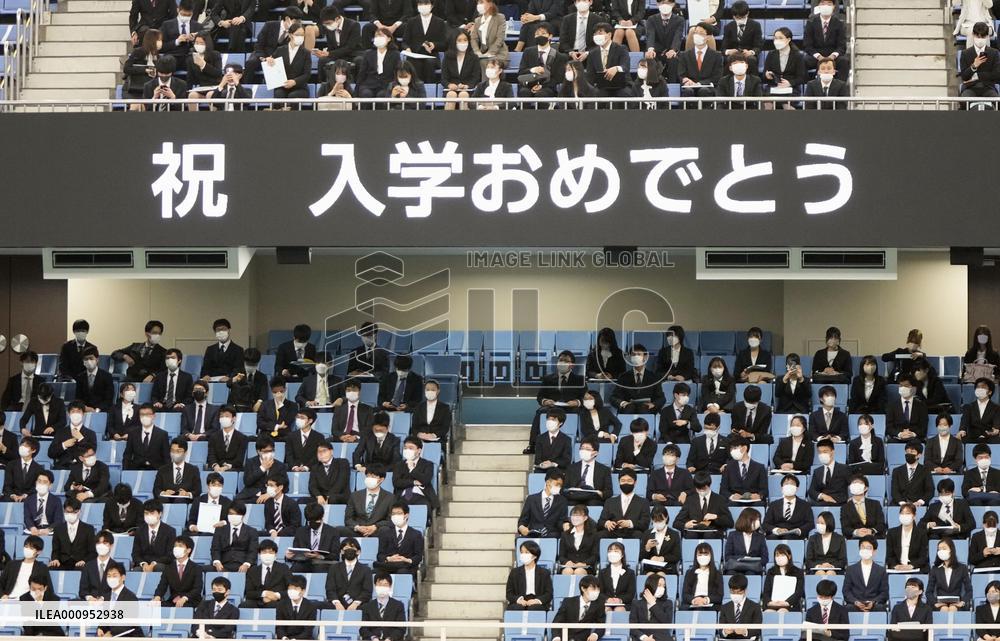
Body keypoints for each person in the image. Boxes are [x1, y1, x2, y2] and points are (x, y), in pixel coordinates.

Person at [524, 351, 585, 455]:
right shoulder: (548, 379)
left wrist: (577, 402)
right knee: (540, 412)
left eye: (566, 361)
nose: (562, 363)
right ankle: (533, 444)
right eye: (561, 360)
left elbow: (585, 397)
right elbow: (540, 396)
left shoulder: (579, 380)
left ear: (572, 365)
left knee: (582, 412)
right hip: (552, 407)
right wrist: (545, 401)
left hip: (571, 408)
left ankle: (581, 442)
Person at [517, 22, 566, 105]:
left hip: (548, 87)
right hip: (529, 85)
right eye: (537, 34)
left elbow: (558, 78)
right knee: (523, 92)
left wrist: (541, 87)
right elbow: (521, 72)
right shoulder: (528, 51)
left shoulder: (559, 56)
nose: (540, 36)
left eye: (543, 33)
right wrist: (532, 70)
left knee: (541, 94)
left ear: (550, 36)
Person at [674, 470, 733, 538]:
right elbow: (676, 523)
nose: (701, 491)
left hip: (712, 533)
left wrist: (716, 517)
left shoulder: (720, 499)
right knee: (691, 535)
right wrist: (685, 525)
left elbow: (730, 522)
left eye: (704, 488)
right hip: (694, 534)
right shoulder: (690, 500)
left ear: (709, 485)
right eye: (699, 489)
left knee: (709, 535)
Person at [264, 22, 311, 106]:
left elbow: (307, 74)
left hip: (300, 87)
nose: (300, 37)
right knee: (279, 95)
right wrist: (268, 59)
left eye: (302, 35)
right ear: (290, 35)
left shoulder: (306, 53)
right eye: (297, 34)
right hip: (282, 86)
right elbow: (271, 63)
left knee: (293, 97)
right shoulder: (280, 50)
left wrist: (295, 82)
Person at [400, 0, 448, 83]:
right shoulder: (411, 21)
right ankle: (416, 90)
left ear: (432, 6)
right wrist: (407, 48)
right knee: (414, 63)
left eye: (426, 3)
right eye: (420, 4)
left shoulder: (440, 22)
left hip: (431, 56)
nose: (423, 6)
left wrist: (434, 45)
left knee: (429, 63)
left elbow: (444, 44)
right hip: (415, 55)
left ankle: (429, 91)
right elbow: (405, 42)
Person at [550, 575, 606, 641]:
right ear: (583, 588)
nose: (596, 591)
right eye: (593, 588)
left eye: (598, 589)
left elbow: (602, 624)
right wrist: (556, 637)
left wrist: (595, 634)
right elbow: (557, 622)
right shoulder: (568, 602)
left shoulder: (598, 605)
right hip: (565, 638)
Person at [342, 466, 394, 537]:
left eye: (373, 476)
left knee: (386, 530)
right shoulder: (354, 495)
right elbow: (348, 518)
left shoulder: (390, 497)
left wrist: (375, 526)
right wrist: (357, 527)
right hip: (358, 530)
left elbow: (390, 519)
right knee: (338, 530)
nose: (370, 479)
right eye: (368, 476)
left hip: (377, 530)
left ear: (381, 479)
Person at [374, 502, 423, 576]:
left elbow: (418, 556)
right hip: (388, 566)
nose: (395, 516)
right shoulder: (385, 533)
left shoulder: (416, 534)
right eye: (393, 514)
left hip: (406, 567)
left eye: (399, 513)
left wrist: (406, 560)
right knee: (374, 572)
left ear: (406, 515)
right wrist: (389, 558)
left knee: (402, 572)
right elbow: (380, 555)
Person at [152, 535, 203, 607]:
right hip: (173, 601)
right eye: (175, 546)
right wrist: (157, 597)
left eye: (180, 546)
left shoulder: (196, 568)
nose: (176, 548)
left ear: (188, 550)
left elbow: (197, 588)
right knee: (154, 606)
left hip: (191, 600)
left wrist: (184, 598)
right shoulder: (168, 568)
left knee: (184, 607)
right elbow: (162, 586)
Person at [598, 470, 650, 539]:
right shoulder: (609, 501)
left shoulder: (643, 502)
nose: (626, 483)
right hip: (613, 532)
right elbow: (601, 521)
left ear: (635, 482)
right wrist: (607, 523)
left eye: (629, 481)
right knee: (599, 535)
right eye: (623, 480)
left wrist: (630, 523)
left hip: (632, 532)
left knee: (639, 535)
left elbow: (645, 523)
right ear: (619, 482)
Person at [287, 502, 338, 573]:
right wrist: (289, 557)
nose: (313, 523)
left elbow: (335, 556)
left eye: (316, 521)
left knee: (319, 568)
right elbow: (296, 550)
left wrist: (319, 556)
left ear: (322, 516)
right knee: (295, 568)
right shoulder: (300, 531)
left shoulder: (332, 532)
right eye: (310, 521)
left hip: (323, 563)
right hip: (305, 563)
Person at [803, 0, 848, 79]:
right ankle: (810, 86)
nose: (826, 6)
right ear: (818, 6)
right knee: (802, 61)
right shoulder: (811, 23)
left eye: (829, 4)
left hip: (833, 55)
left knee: (844, 61)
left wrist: (833, 56)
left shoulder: (839, 24)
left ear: (834, 6)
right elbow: (807, 45)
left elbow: (842, 46)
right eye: (823, 3)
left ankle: (841, 86)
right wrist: (818, 56)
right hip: (816, 55)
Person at [325, 536, 373, 610]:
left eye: (352, 548)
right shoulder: (333, 568)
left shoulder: (366, 570)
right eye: (346, 548)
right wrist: (337, 603)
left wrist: (356, 603)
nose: (349, 550)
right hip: (338, 603)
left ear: (358, 551)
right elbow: (330, 589)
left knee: (369, 608)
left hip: (358, 605)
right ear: (342, 551)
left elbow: (367, 591)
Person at [585, 22, 630, 100]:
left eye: (600, 33)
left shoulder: (621, 49)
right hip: (602, 87)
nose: (597, 36)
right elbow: (590, 76)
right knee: (595, 95)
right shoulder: (592, 53)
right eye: (595, 34)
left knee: (624, 94)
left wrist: (616, 68)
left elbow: (625, 66)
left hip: (621, 85)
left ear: (609, 35)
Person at [843, 536, 889, 611]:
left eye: (868, 548)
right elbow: (846, 591)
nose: (865, 550)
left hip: (874, 605)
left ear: (874, 551)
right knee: (848, 608)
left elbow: (884, 592)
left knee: (880, 608)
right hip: (855, 604)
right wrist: (855, 602)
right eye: (863, 547)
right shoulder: (850, 569)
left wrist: (873, 602)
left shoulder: (881, 571)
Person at [236, 436, 288, 502]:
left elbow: (285, 486)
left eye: (271, 450)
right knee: (237, 502)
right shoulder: (250, 462)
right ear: (258, 451)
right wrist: (262, 468)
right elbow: (247, 482)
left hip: (271, 496)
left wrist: (270, 494)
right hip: (251, 495)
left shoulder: (280, 466)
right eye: (266, 451)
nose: (269, 453)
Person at [48, 496, 95, 569]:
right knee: (52, 567)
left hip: (80, 562)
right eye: (67, 512)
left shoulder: (88, 529)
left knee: (84, 568)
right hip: (63, 562)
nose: (70, 514)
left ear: (79, 511)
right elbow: (55, 550)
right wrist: (55, 559)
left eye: (73, 512)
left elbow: (92, 551)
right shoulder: (58, 529)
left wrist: (84, 561)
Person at [927, 538, 973, 611]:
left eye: (944, 548)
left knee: (952, 608)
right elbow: (929, 591)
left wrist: (962, 602)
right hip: (940, 603)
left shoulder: (962, 568)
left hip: (957, 603)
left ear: (951, 549)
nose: (941, 551)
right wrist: (935, 603)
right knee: (944, 609)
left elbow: (969, 590)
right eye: (939, 549)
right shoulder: (935, 569)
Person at [678, 24, 723, 99]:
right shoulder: (684, 55)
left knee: (704, 91)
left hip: (707, 87)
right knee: (688, 91)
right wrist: (686, 80)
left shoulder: (716, 56)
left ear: (708, 37)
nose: (697, 35)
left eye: (701, 33)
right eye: (696, 33)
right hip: (689, 86)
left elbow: (717, 76)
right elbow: (681, 74)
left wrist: (699, 83)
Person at [210, 502, 259, 572]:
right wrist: (217, 562)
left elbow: (253, 551)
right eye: (231, 514)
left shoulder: (252, 531)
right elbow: (215, 549)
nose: (234, 516)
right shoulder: (220, 530)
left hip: (243, 564)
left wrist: (246, 564)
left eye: (237, 514)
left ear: (243, 515)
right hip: (223, 564)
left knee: (255, 571)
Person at [643, 0, 684, 83]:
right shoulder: (651, 19)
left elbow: (678, 36)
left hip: (671, 51)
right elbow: (650, 35)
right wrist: (650, 49)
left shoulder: (679, 20)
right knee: (650, 58)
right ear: (657, 4)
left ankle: (673, 86)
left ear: (673, 4)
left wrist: (673, 49)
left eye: (668, 3)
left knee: (673, 59)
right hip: (657, 51)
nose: (665, 5)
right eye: (662, 3)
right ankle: (653, 86)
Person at [241, 540, 290, 608]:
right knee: (244, 605)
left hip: (277, 601)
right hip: (258, 600)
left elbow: (291, 588)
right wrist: (264, 594)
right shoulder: (252, 570)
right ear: (259, 554)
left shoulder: (283, 568)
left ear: (275, 554)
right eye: (264, 552)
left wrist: (276, 595)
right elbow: (248, 593)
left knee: (279, 606)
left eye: (270, 552)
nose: (267, 554)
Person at [48, 401, 97, 469]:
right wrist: (64, 445)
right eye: (73, 411)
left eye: (78, 411)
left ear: (83, 414)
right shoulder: (60, 432)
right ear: (68, 414)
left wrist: (81, 439)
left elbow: (92, 452)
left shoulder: (91, 433)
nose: (75, 414)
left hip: (81, 468)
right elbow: (51, 453)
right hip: (62, 467)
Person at [518, 469, 566, 538]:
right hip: (533, 535)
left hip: (552, 536)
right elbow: (522, 521)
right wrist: (522, 528)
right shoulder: (531, 499)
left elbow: (561, 521)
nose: (559, 487)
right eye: (557, 484)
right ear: (548, 482)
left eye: (560, 485)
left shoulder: (562, 501)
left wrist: (564, 525)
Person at [507, 539, 553, 610]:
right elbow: (509, 593)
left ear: (534, 556)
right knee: (516, 608)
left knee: (534, 608)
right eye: (521, 552)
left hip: (536, 601)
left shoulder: (544, 573)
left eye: (526, 552)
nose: (523, 555)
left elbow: (549, 594)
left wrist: (536, 601)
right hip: (520, 601)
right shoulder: (514, 572)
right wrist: (519, 600)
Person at [358, 574, 406, 641]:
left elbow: (401, 628)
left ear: (390, 586)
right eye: (380, 584)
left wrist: (390, 639)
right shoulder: (367, 606)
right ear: (375, 586)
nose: (382, 587)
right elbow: (363, 629)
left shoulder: (398, 605)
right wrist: (373, 638)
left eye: (385, 585)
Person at [720, 436, 766, 504]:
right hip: (735, 500)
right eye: (731, 449)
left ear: (744, 448)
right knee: (731, 504)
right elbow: (723, 490)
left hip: (753, 500)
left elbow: (764, 490)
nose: (732, 451)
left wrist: (758, 495)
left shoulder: (759, 467)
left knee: (759, 504)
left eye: (735, 448)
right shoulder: (728, 467)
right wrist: (732, 496)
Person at [442, 29, 482, 109]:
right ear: (454, 42)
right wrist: (449, 85)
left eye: (465, 40)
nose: (463, 43)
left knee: (463, 95)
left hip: (468, 89)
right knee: (451, 94)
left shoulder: (474, 58)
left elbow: (476, 77)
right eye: (459, 40)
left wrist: (467, 86)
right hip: (451, 89)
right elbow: (444, 78)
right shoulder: (447, 57)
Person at [0, 535, 49, 599]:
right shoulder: (12, 564)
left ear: (39, 551)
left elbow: (47, 588)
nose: (27, 549)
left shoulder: (42, 567)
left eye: (31, 548)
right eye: (26, 546)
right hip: (9, 599)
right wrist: (2, 595)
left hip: (28, 601)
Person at [153, 438, 201, 502]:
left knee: (180, 500)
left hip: (184, 501)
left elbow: (197, 490)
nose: (175, 453)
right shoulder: (162, 469)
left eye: (178, 451)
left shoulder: (193, 470)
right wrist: (163, 493)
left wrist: (187, 494)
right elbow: (156, 489)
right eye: (172, 451)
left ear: (185, 453)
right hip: (166, 500)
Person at [133, 500, 176, 571]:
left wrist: (154, 564)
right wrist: (143, 563)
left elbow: (170, 555)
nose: (149, 516)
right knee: (137, 570)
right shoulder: (139, 531)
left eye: (152, 513)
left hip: (161, 563)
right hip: (145, 564)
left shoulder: (170, 531)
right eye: (146, 513)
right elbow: (135, 553)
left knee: (159, 567)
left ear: (160, 514)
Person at [886, 502, 929, 572]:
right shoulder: (891, 533)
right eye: (902, 513)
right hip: (897, 568)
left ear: (914, 516)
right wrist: (896, 566)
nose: (904, 516)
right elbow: (889, 556)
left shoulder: (922, 533)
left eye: (908, 513)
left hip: (915, 568)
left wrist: (911, 566)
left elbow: (923, 557)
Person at [630, 574, 674, 641]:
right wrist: (644, 638)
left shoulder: (668, 603)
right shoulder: (636, 604)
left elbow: (667, 622)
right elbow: (633, 627)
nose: (662, 588)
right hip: (641, 638)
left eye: (664, 586)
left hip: (661, 638)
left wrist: (653, 604)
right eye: (659, 585)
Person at [891, 439, 935, 507]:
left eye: (912, 452)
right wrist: (902, 503)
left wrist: (920, 502)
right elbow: (894, 491)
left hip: (918, 505)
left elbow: (930, 490)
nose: (909, 454)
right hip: (900, 505)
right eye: (907, 452)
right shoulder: (897, 471)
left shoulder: (925, 470)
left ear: (919, 455)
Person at [185, 32, 223, 110]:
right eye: (196, 43)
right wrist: (187, 91)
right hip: (202, 88)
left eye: (201, 43)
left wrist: (203, 65)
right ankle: (193, 119)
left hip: (215, 88)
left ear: (207, 44)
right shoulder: (191, 58)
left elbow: (218, 73)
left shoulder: (215, 55)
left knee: (210, 95)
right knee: (192, 95)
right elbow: (190, 78)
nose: (198, 45)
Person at [559, 504, 599, 575]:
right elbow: (561, 555)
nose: (575, 518)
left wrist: (584, 563)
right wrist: (567, 562)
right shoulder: (565, 534)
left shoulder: (593, 535)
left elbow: (594, 555)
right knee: (568, 571)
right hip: (568, 565)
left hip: (586, 566)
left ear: (585, 518)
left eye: (578, 516)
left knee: (579, 571)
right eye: (573, 515)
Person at [723, 508, 767, 574]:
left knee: (750, 573)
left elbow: (765, 558)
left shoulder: (760, 537)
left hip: (752, 568)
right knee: (731, 573)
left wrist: (753, 561)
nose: (758, 522)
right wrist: (743, 558)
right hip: (736, 566)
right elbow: (727, 556)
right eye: (755, 519)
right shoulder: (732, 535)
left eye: (758, 519)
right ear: (746, 520)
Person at [718, 573, 762, 638]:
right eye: (732, 592)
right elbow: (720, 630)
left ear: (745, 590)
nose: (735, 595)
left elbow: (758, 629)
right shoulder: (725, 607)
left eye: (739, 592)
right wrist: (724, 632)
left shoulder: (755, 607)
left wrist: (745, 631)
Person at [648, 443, 693, 507]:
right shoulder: (655, 473)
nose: (668, 457)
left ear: (677, 459)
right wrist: (655, 496)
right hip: (659, 503)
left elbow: (692, 490)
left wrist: (685, 493)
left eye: (671, 455)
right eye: (666, 454)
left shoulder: (685, 473)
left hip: (679, 502)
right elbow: (649, 493)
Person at [275, 574, 318, 640]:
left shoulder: (311, 607)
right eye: (290, 588)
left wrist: (295, 639)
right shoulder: (281, 605)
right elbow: (279, 627)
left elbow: (308, 631)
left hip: (303, 639)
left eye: (295, 588)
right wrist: (284, 637)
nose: (292, 591)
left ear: (303, 591)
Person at [640, 506, 681, 575]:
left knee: (660, 575)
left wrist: (662, 558)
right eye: (655, 521)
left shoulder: (674, 534)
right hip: (650, 568)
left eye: (660, 520)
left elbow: (676, 556)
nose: (658, 523)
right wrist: (647, 548)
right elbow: (641, 557)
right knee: (650, 575)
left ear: (666, 517)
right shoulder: (647, 534)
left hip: (667, 568)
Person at [762, 544, 804, 612]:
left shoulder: (798, 572)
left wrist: (787, 602)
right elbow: (766, 591)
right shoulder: (771, 571)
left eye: (782, 555)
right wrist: (769, 602)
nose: (779, 557)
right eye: (777, 555)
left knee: (782, 611)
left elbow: (799, 592)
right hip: (773, 604)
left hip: (790, 604)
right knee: (768, 612)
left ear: (789, 556)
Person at [887, 375, 928, 443]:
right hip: (898, 438)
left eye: (906, 386)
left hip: (915, 438)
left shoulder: (921, 406)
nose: (903, 388)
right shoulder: (892, 405)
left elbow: (923, 427)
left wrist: (912, 434)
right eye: (901, 386)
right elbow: (889, 427)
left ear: (913, 388)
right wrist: (900, 434)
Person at [309, 440, 352, 506]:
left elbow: (340, 483)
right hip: (322, 497)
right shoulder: (315, 467)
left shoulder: (342, 463)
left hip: (339, 496)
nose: (321, 454)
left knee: (332, 499)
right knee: (302, 500)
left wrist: (328, 498)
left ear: (331, 452)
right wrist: (318, 495)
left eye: (324, 451)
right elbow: (312, 486)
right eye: (319, 452)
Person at [681, 542, 723, 609]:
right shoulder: (689, 573)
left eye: (705, 554)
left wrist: (706, 600)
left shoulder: (717, 574)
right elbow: (685, 594)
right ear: (696, 556)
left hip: (709, 604)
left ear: (710, 556)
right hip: (694, 602)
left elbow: (719, 596)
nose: (703, 557)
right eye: (700, 554)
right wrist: (694, 600)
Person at [206, 406, 248, 472]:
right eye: (222, 416)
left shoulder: (242, 438)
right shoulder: (213, 437)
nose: (224, 418)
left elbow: (239, 460)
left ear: (234, 418)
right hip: (216, 470)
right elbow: (211, 455)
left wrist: (226, 467)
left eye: (227, 416)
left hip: (233, 469)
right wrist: (215, 465)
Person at [807, 439, 849, 505]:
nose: (822, 454)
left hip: (840, 503)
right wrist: (822, 496)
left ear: (832, 452)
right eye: (820, 452)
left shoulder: (844, 468)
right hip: (821, 503)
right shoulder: (817, 471)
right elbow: (811, 491)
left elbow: (853, 483)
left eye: (825, 451)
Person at [79, 530, 116, 601]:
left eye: (105, 543)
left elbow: (116, 589)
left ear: (111, 546)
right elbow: (83, 590)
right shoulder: (88, 566)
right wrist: (89, 598)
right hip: (90, 604)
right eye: (98, 543)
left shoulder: (116, 567)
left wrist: (103, 598)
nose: (101, 546)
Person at [227, 348, 268, 413]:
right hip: (235, 407)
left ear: (258, 363)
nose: (250, 366)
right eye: (248, 364)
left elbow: (264, 394)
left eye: (253, 364)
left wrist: (259, 402)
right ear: (244, 362)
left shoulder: (262, 377)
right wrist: (234, 379)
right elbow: (228, 384)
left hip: (254, 407)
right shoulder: (237, 372)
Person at [599, 540, 637, 611]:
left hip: (624, 603)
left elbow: (631, 593)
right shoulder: (602, 572)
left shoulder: (630, 573)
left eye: (616, 551)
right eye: (610, 551)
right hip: (607, 603)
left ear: (622, 555)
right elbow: (600, 592)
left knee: (619, 609)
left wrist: (620, 600)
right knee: (606, 609)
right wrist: (607, 599)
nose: (613, 553)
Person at [259, 376, 299, 441]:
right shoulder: (265, 405)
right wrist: (276, 426)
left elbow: (287, 422)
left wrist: (280, 404)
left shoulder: (293, 406)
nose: (278, 394)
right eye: (275, 392)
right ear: (271, 391)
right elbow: (260, 423)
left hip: (284, 435)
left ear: (285, 389)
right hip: (267, 435)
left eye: (281, 391)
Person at [960, 377, 1000, 443]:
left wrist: (995, 431)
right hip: (972, 438)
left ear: (990, 392)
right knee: (961, 439)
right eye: (978, 387)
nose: (980, 389)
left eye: (983, 387)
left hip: (989, 437)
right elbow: (964, 422)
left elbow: (996, 425)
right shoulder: (968, 407)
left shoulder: (996, 408)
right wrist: (962, 430)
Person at [74, 347, 114, 412]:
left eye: (91, 358)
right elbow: (78, 398)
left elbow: (108, 399)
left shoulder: (107, 376)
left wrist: (96, 410)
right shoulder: (80, 377)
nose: (89, 361)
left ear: (97, 360)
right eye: (86, 359)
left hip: (102, 411)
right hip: (85, 410)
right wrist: (84, 408)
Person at [25, 471, 63, 535]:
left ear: (50, 485)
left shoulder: (56, 500)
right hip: (34, 529)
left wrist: (49, 529)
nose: (41, 484)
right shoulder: (29, 500)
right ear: (36, 482)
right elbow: (27, 517)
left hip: (50, 529)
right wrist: (32, 527)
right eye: (39, 481)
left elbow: (59, 520)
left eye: (45, 482)